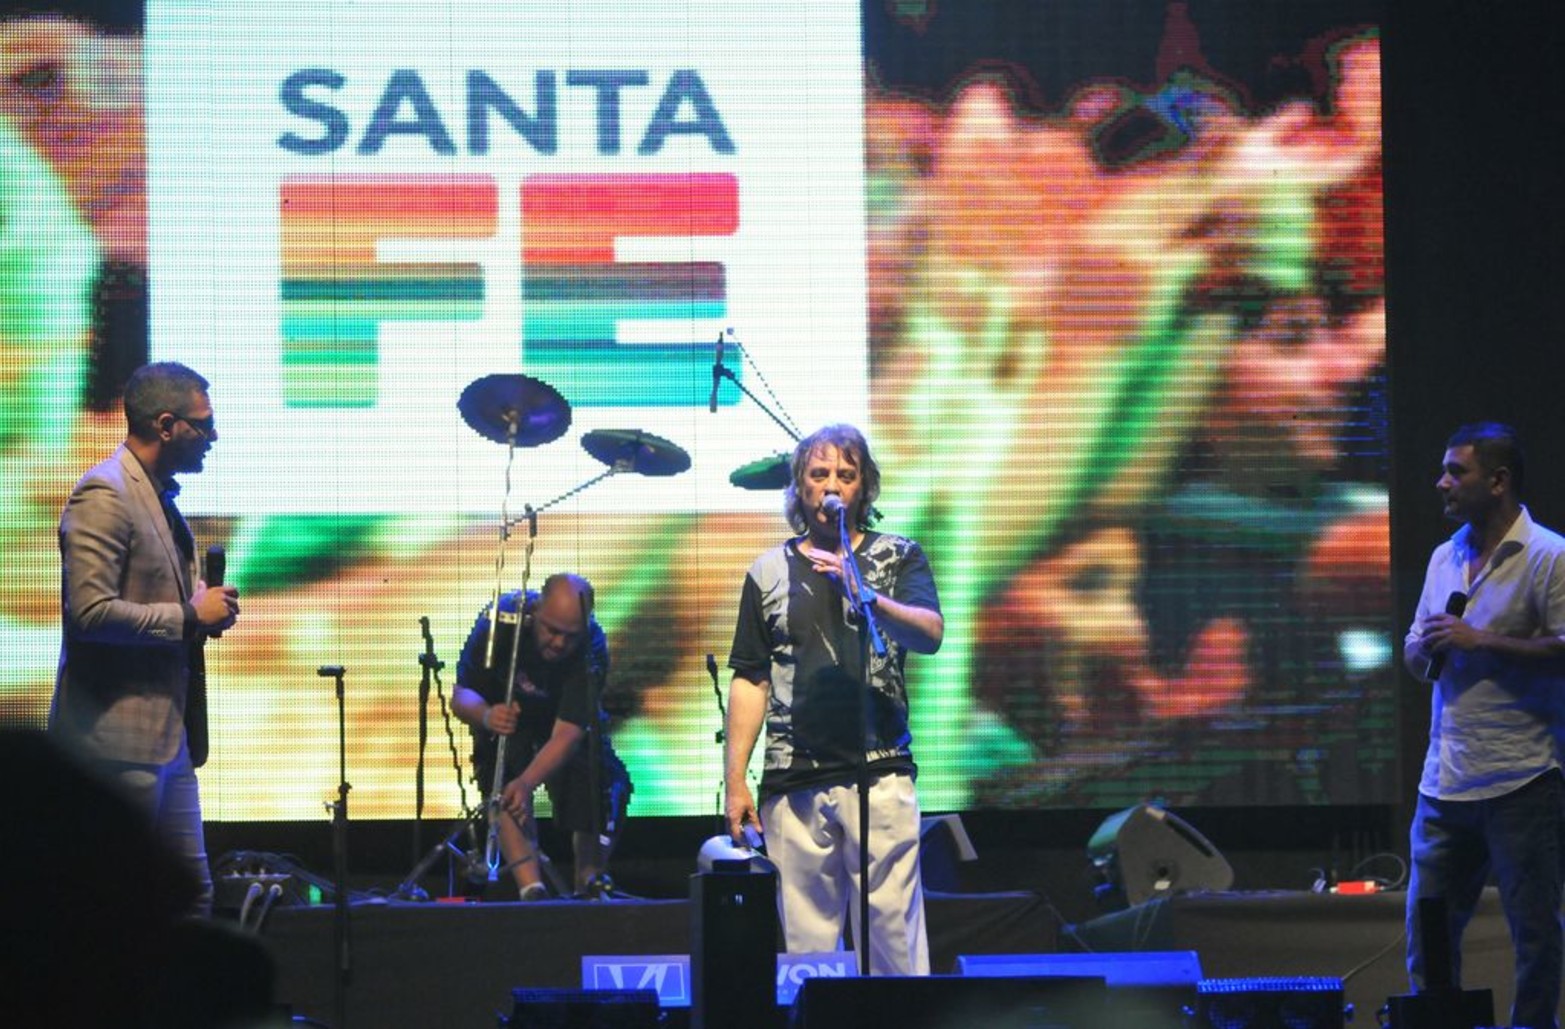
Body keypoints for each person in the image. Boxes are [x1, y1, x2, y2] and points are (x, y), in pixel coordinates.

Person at [724, 423, 944, 975]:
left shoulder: (898, 556)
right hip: (793, 779)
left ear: (863, 488)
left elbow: (930, 634)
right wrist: (735, 782)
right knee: (810, 950)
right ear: (799, 488)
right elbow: (751, 679)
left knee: (894, 939)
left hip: (881, 771)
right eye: (818, 474)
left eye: (845, 476)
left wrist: (867, 595)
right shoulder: (767, 570)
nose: (831, 486)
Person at [49, 361, 240, 917]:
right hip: (112, 745)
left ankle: (178, 1007)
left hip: (166, 737)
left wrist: (202, 607)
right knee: (111, 906)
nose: (213, 436)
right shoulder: (105, 494)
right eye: (203, 425)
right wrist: (186, 615)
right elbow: (89, 613)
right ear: (165, 425)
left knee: (191, 898)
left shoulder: (157, 496)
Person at [1404, 422, 1565, 1029]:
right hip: (1444, 781)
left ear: (1497, 481)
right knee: (1430, 937)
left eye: (1455, 471)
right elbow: (1417, 650)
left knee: (1535, 938)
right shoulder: (1443, 556)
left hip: (1522, 779)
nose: (1441, 482)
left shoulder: (1549, 555)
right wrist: (1423, 649)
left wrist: (1482, 640)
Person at [454, 572, 631, 899]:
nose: (560, 643)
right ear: (536, 612)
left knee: (599, 776)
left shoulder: (592, 646)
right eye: (552, 630)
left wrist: (527, 783)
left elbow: (568, 733)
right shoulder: (499, 622)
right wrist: (487, 715)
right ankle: (531, 890)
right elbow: (461, 696)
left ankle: (589, 884)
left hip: (563, 732)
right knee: (502, 779)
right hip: (507, 725)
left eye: (570, 636)